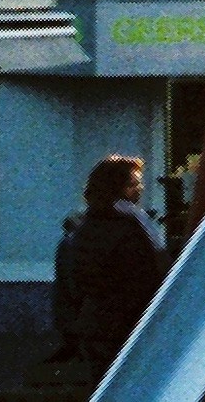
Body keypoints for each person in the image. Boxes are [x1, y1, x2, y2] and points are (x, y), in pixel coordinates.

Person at [50, 154, 166, 386]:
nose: (140, 189)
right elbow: (144, 279)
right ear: (117, 188)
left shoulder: (85, 229)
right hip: (122, 329)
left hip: (97, 329)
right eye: (133, 184)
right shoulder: (129, 228)